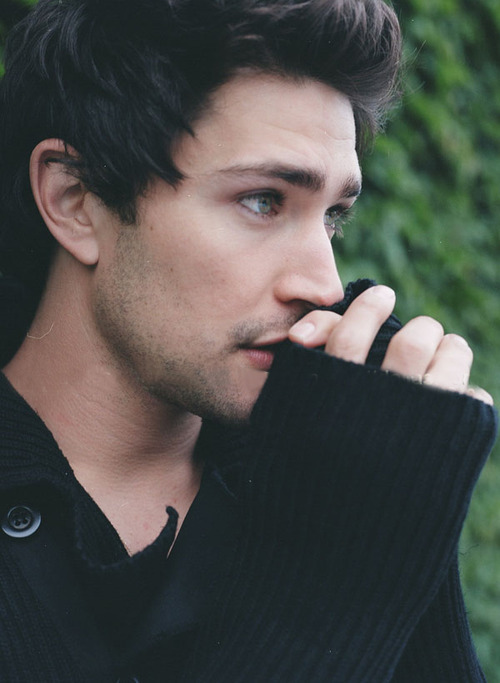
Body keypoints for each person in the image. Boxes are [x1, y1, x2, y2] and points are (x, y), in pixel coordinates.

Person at [0, 0, 497, 680]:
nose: (325, 283)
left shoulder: (333, 474)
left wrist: (400, 514)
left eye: (334, 216)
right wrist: (332, 593)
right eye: (263, 200)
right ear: (76, 199)